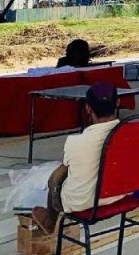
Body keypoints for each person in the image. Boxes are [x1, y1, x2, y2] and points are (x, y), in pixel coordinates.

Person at [31, 82, 123, 234]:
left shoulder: (76, 142)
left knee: (56, 176)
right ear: (118, 102)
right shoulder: (134, 133)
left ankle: (49, 221)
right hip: (122, 195)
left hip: (85, 203)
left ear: (88, 108)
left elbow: (57, 179)